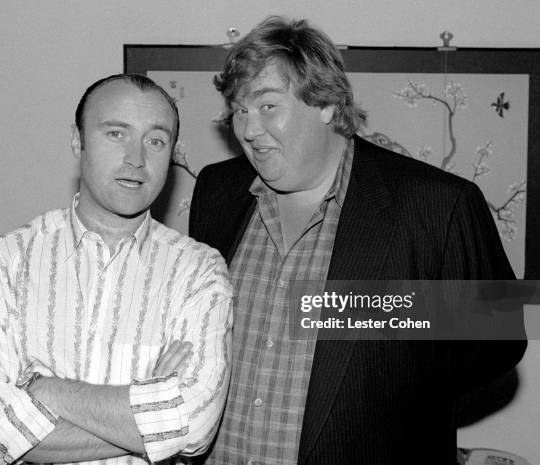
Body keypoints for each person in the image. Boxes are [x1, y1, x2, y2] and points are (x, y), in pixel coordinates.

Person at [189, 16, 527, 465]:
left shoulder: (439, 204)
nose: (249, 130)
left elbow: (498, 342)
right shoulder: (217, 191)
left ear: (326, 103)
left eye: (268, 106)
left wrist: (358, 327)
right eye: (239, 110)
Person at [0, 74, 232, 465]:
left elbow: (195, 427)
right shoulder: (5, 264)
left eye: (156, 141)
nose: (136, 158)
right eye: (116, 134)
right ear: (77, 140)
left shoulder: (199, 273)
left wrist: (44, 390)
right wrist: (151, 406)